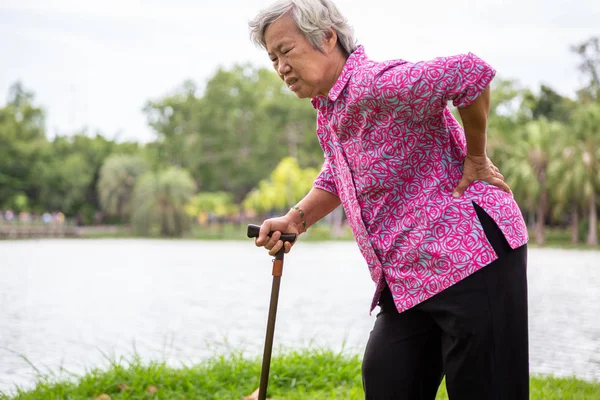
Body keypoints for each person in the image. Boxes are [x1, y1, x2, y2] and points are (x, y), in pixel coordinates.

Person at [248, 1, 529, 399]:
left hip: (472, 256)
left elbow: (470, 72)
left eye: (286, 51)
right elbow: (339, 174)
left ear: (327, 37)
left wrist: (476, 156)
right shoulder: (329, 109)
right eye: (273, 57)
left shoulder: (377, 83)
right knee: (388, 380)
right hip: (409, 277)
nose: (280, 67)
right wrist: (295, 219)